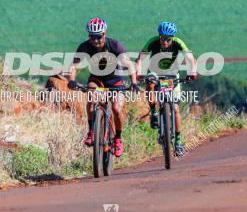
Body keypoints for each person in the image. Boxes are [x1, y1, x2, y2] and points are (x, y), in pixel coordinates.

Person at [67, 18, 138, 157]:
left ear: (104, 34)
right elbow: (73, 66)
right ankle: (92, 131)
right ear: (89, 36)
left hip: (115, 81)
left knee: (116, 109)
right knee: (91, 99)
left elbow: (129, 65)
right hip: (97, 79)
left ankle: (118, 139)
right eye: (92, 37)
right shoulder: (85, 47)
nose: (95, 40)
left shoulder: (115, 45)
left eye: (98, 36)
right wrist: (72, 80)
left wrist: (134, 82)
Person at [136, 21, 197, 156]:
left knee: (175, 108)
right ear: (159, 36)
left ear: (173, 38)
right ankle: (153, 113)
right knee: (150, 84)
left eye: (168, 39)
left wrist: (192, 72)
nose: (165, 42)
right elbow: (140, 59)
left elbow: (191, 59)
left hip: (172, 75)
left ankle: (179, 142)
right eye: (162, 38)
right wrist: (139, 73)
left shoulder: (178, 43)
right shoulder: (152, 42)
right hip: (155, 72)